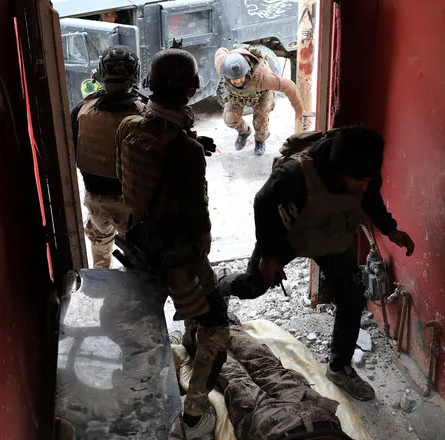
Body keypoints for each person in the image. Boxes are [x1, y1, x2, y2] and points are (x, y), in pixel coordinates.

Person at [218, 126, 415, 401]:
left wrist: (391, 230)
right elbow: (262, 203)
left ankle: (338, 368)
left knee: (351, 297)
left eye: (368, 179)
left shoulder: (362, 167)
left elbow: (370, 198)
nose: (364, 186)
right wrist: (270, 256)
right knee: (253, 287)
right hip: (288, 235)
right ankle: (220, 284)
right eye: (358, 180)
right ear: (337, 169)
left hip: (330, 235)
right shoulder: (295, 174)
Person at [116, 48, 229, 439]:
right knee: (216, 328)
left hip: (137, 245)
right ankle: (194, 415)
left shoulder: (128, 126)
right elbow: (197, 221)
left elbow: (133, 174)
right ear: (194, 90)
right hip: (177, 257)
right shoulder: (185, 151)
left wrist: (190, 141)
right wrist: (202, 268)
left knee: (143, 327)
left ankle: (139, 396)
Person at [171, 317, 354, 440]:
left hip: (272, 428)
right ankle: (222, 324)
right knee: (266, 366)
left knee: (235, 377)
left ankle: (200, 328)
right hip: (315, 414)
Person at [71, 45, 144, 268]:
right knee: (137, 253)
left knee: (99, 241)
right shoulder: (144, 112)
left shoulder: (82, 109)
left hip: (95, 199)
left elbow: (74, 151)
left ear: (100, 74)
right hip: (129, 202)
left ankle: (102, 281)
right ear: (135, 75)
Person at [214, 45, 304, 155]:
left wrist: (299, 111)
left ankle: (260, 140)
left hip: (262, 93)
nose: (237, 82)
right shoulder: (222, 65)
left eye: (240, 77)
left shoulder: (264, 77)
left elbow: (289, 87)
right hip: (237, 95)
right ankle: (244, 132)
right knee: (229, 118)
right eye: (233, 79)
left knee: (260, 122)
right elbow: (220, 50)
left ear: (247, 72)